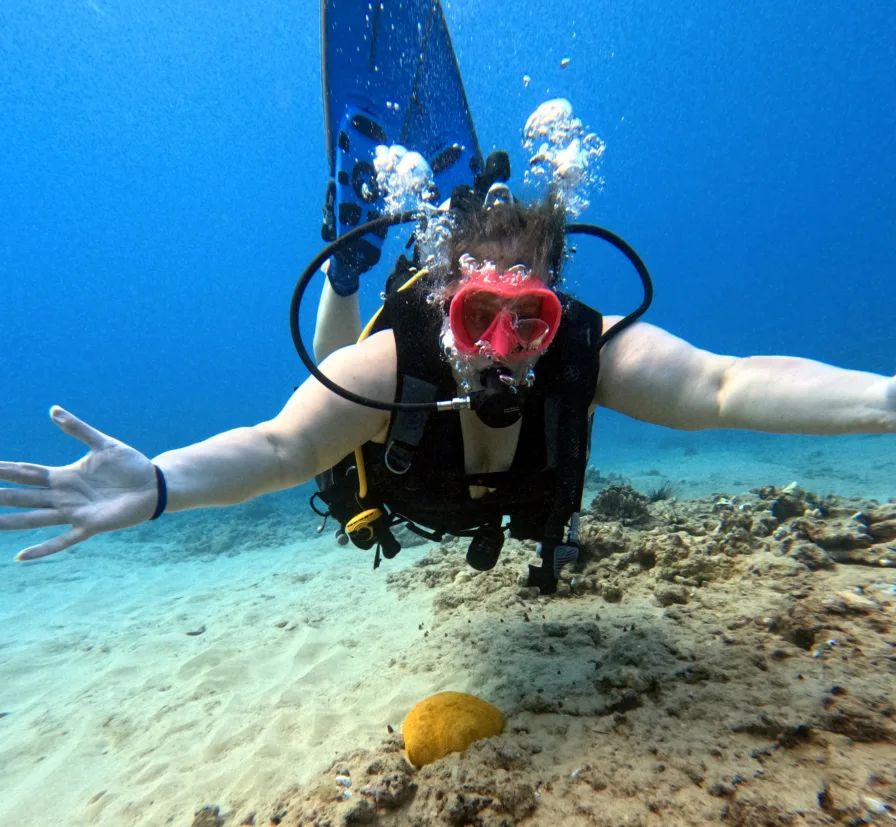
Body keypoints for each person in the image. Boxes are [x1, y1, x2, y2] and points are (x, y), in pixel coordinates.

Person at [1, 182, 894, 587]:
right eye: (477, 320)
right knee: (327, 427)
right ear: (443, 309)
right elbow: (279, 445)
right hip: (395, 483)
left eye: (531, 320)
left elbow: (728, 386)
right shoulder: (394, 366)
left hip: (476, 498)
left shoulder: (587, 350)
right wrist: (157, 483)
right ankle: (348, 279)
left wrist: (885, 400)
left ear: (559, 308)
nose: (505, 351)